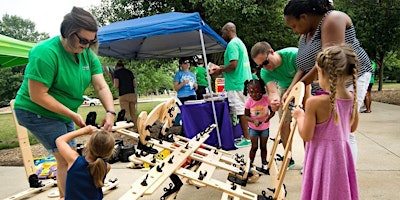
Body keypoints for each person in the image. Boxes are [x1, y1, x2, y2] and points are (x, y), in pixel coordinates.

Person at [13, 7, 116, 199]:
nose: (87, 45)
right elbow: (38, 95)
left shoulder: (87, 54)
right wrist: (72, 115)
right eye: (83, 40)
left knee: (72, 159)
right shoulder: (45, 53)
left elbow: (101, 86)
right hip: (35, 111)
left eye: (92, 41)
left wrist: (110, 111)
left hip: (64, 111)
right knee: (65, 158)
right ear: (67, 32)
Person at [284, 0, 373, 162]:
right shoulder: (306, 35)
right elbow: (303, 67)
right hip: (328, 82)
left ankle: (343, 172)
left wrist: (300, 87)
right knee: (330, 128)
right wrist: (292, 89)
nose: (294, 31)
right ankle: (326, 167)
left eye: (294, 26)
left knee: (345, 130)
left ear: (303, 17)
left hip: (352, 78)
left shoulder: (333, 19)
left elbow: (327, 62)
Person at [292, 44, 359, 199]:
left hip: (321, 158)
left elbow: (307, 135)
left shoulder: (315, 102)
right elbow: (352, 127)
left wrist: (300, 116)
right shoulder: (351, 98)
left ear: (321, 72)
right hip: (341, 157)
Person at [251, 41, 298, 168]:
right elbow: (272, 91)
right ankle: (288, 157)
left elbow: (305, 74)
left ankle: (310, 161)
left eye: (266, 62)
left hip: (303, 83)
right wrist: (274, 101)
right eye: (261, 66)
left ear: (271, 52)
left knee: (307, 121)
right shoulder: (265, 72)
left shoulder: (293, 54)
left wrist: (290, 91)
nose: (265, 67)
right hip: (284, 87)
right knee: (284, 123)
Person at [213, 22, 252, 148]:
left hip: (236, 83)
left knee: (240, 112)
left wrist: (220, 70)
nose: (222, 35)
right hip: (244, 81)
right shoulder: (240, 43)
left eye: (223, 32)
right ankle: (248, 136)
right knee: (244, 110)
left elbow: (233, 65)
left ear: (228, 31)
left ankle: (247, 138)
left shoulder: (232, 45)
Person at [56, 125, 115, 200]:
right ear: (109, 152)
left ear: (87, 145)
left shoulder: (74, 160)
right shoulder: (106, 167)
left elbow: (59, 140)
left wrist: (84, 130)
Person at [243, 79, 275, 172]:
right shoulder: (249, 102)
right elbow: (245, 116)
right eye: (251, 92)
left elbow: (272, 111)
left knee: (263, 147)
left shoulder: (266, 99)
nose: (255, 94)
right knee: (254, 147)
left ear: (262, 90)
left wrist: (268, 118)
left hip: (264, 128)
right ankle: (250, 163)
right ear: (248, 92)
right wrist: (253, 121)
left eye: (257, 92)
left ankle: (264, 163)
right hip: (253, 128)